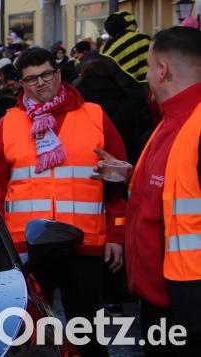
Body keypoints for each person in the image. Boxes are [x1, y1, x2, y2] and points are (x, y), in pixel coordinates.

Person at [0, 48, 127, 357]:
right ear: (21, 84)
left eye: (46, 74)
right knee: (28, 339)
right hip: (27, 249)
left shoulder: (94, 116)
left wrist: (116, 234)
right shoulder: (8, 124)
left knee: (88, 336)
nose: (40, 83)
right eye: (31, 78)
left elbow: (117, 186)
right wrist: (1, 246)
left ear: (59, 74)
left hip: (83, 245)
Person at [122, 27, 201, 357]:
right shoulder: (171, 120)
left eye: (148, 67)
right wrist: (130, 176)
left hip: (189, 305)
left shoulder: (192, 123)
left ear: (162, 70)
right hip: (164, 299)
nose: (146, 77)